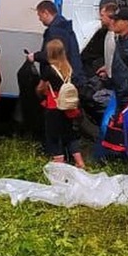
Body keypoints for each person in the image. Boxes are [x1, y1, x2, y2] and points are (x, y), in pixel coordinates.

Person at [36, 39, 86, 169]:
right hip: (68, 106)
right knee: (69, 134)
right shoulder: (68, 68)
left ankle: (59, 163)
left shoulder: (49, 69)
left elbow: (41, 87)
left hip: (54, 106)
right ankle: (80, 162)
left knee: (53, 135)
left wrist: (40, 93)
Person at [27, 0, 85, 87]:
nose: (39, 19)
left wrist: (35, 56)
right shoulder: (64, 27)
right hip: (72, 76)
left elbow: (53, 55)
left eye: (40, 15)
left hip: (60, 80)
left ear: (46, 13)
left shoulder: (55, 31)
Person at [96, 2, 119, 80]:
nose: (100, 18)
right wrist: (107, 67)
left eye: (102, 15)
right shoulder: (109, 34)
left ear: (110, 17)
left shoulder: (116, 37)